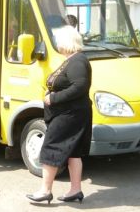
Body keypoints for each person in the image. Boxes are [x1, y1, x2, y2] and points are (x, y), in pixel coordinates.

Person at [27, 26, 92, 204]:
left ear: (65, 42)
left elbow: (79, 87)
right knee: (74, 152)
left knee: (51, 147)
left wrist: (53, 98)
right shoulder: (73, 59)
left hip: (69, 114)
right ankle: (75, 190)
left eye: (57, 40)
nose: (56, 43)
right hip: (73, 113)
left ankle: (45, 191)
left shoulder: (77, 61)